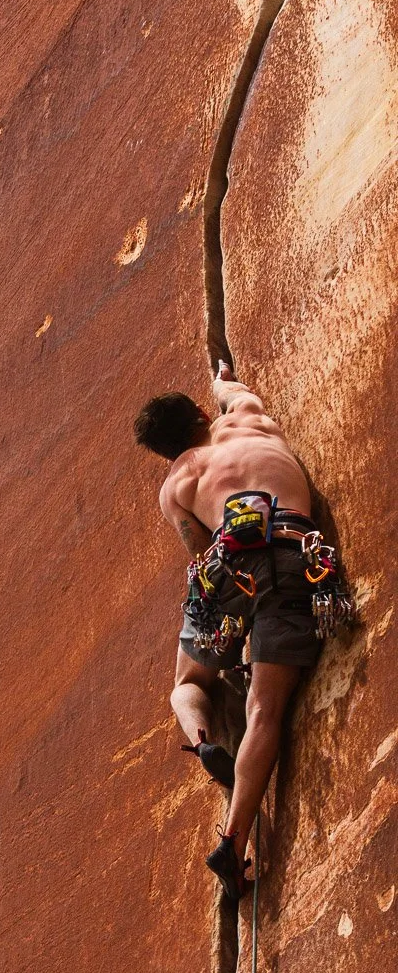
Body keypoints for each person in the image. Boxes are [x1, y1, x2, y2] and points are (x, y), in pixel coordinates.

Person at [133, 361, 335, 901]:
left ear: (165, 452)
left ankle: (202, 740)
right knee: (265, 709)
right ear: (203, 414)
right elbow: (232, 388)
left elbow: (199, 555)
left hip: (228, 569)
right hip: (292, 553)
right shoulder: (243, 418)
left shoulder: (176, 486)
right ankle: (232, 840)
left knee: (186, 682)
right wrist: (222, 376)